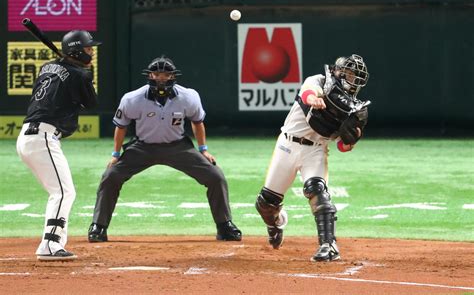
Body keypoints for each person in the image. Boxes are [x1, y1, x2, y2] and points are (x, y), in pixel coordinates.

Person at [88, 56, 242, 242]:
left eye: (166, 74)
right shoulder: (132, 99)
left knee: (215, 176)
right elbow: (121, 126)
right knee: (110, 176)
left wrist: (203, 150)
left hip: (177, 147)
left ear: (173, 76)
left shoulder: (188, 96)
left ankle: (224, 226)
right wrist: (116, 154)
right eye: (157, 74)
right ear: (149, 75)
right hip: (142, 147)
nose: (161, 79)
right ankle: (99, 226)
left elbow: (197, 122)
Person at [255, 54, 370, 262]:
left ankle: (329, 245)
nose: (351, 79)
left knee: (317, 192)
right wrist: (313, 99)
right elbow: (309, 93)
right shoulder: (318, 80)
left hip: (315, 151)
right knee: (266, 203)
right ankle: (275, 224)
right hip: (287, 146)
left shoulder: (355, 109)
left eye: (355, 77)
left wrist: (351, 140)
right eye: (349, 73)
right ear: (338, 71)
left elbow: (343, 147)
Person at [16, 30, 100, 261]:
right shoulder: (79, 75)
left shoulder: (46, 68)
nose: (91, 51)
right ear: (75, 51)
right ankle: (51, 245)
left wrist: (74, 69)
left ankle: (50, 243)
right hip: (42, 136)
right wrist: (83, 74)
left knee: (61, 191)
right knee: (63, 192)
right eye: (87, 48)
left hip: (29, 137)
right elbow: (91, 103)